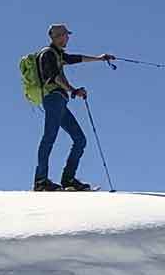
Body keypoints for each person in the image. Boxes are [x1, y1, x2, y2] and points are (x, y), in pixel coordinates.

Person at [34, 23, 114, 191]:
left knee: (80, 139)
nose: (67, 38)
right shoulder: (47, 54)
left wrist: (100, 58)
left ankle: (68, 179)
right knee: (49, 137)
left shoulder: (58, 54)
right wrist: (73, 90)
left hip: (61, 101)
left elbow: (76, 58)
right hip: (53, 99)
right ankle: (41, 181)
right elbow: (54, 77)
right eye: (64, 35)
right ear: (56, 37)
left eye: (67, 35)